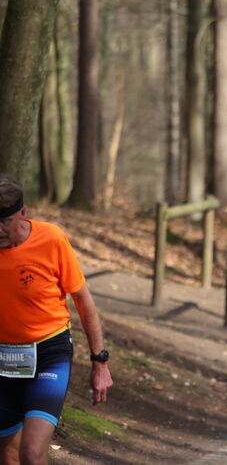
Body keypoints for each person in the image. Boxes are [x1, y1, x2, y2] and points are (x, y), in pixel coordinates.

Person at [0, 174, 113, 464]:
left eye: (5, 221)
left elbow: (83, 301)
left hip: (49, 352)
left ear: (23, 213)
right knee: (9, 457)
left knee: (32, 452)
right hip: (3, 359)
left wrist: (99, 361)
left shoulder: (51, 239)